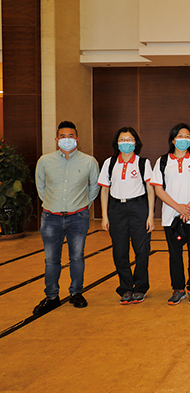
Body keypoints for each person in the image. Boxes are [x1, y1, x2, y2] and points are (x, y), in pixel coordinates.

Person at [32, 121, 100, 315]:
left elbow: (94, 186)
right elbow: (41, 187)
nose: (67, 140)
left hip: (78, 217)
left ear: (77, 139)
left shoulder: (89, 161)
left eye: (70, 136)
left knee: (77, 257)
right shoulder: (45, 161)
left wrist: (83, 205)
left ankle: (76, 293)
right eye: (63, 136)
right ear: (56, 140)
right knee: (51, 259)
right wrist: (52, 204)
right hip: (50, 218)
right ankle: (51, 296)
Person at [151, 123, 190, 306]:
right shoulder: (162, 161)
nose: (184, 139)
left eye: (187, 136)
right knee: (174, 255)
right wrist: (178, 207)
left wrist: (188, 207)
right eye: (180, 136)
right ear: (173, 139)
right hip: (171, 216)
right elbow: (158, 189)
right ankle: (178, 289)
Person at [98, 127, 155, 305]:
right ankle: (126, 288)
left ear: (136, 142)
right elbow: (104, 190)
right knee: (120, 251)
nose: (126, 143)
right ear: (117, 143)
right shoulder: (110, 163)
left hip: (138, 207)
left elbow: (150, 190)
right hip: (117, 209)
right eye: (122, 140)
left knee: (142, 250)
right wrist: (105, 216)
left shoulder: (143, 163)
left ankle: (140, 288)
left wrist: (150, 215)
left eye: (129, 139)